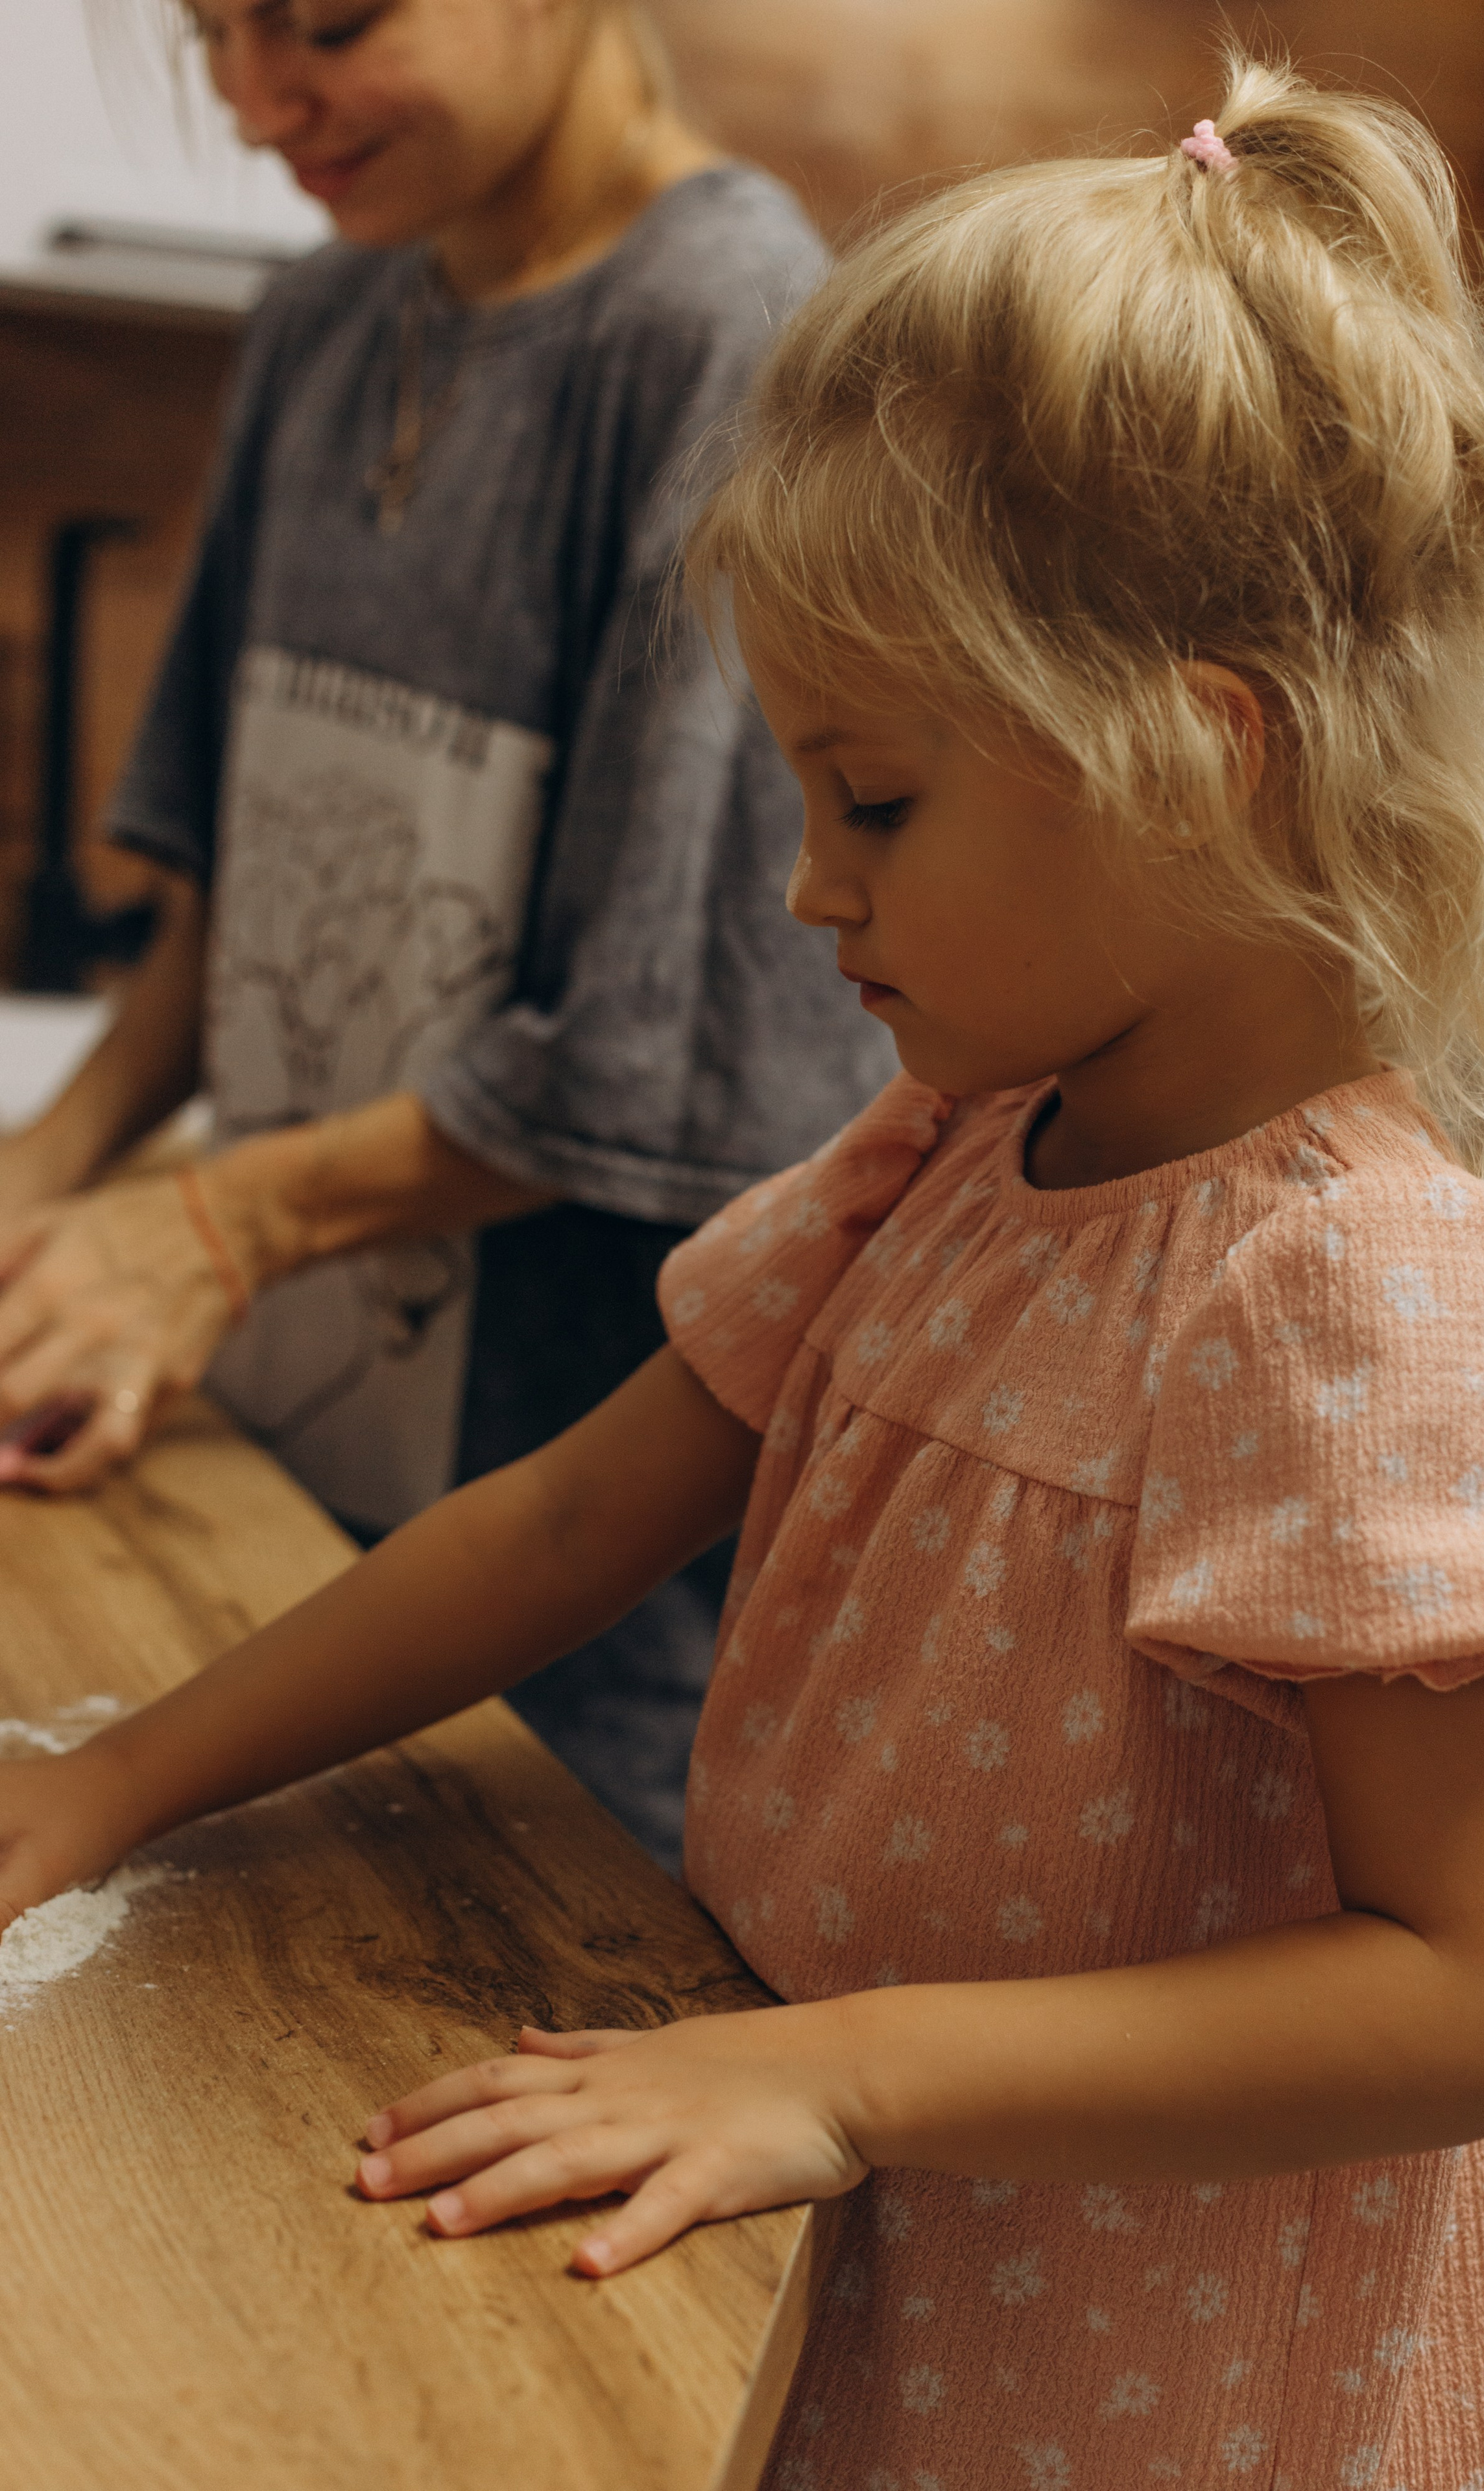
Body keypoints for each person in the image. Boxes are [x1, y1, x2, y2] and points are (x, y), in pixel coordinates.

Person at [3, 54, 1484, 2488]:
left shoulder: (1368, 1309)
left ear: (1204, 755)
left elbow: (1468, 2005)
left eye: (873, 797)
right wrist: (112, 1781)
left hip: (1173, 2383)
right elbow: (571, 1523)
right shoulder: (948, 1148)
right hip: (878, 2231)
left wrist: (839, 2070)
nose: (809, 887)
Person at [0, 0, 891, 1869]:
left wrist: (216, 1222)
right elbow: (241, 892)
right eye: (212, 32)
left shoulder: (726, 335)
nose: (253, 107)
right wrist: (54, 1168)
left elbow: (653, 1055)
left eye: (327, 21)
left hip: (561, 1601)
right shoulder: (335, 308)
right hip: (304, 1459)